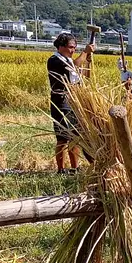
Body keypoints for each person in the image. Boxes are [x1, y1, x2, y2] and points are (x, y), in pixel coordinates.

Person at [47, 32, 94, 173]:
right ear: (61, 46)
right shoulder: (55, 60)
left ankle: (75, 167)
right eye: (70, 47)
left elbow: (83, 76)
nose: (73, 50)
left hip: (74, 101)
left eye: (75, 48)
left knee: (75, 136)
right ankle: (61, 169)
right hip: (61, 101)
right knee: (62, 137)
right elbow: (74, 67)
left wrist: (88, 61)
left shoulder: (67, 60)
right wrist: (85, 52)